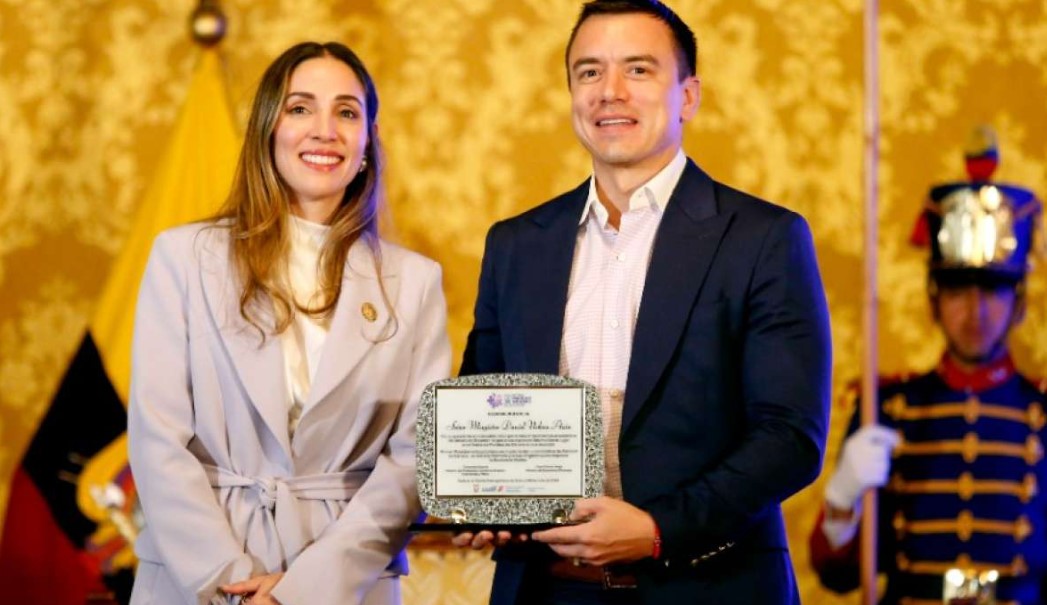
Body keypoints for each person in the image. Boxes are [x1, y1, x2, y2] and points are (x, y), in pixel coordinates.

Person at [452, 1, 832, 603]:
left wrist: (659, 531)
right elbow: (485, 407)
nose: (610, 92)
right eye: (589, 72)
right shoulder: (516, 245)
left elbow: (790, 438)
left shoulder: (763, 238)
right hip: (547, 591)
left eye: (638, 70)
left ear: (687, 96)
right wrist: (485, 498)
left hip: (709, 586)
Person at [127, 41, 451, 605]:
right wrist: (227, 578)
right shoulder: (181, 257)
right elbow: (158, 440)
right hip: (196, 577)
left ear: (367, 144)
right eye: (301, 108)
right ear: (267, 131)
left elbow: (415, 459)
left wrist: (305, 590)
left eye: (347, 112)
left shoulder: (415, 282)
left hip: (347, 580)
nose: (325, 129)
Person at [809, 128, 1047, 604]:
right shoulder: (887, 408)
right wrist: (841, 501)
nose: (975, 311)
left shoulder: (1041, 409)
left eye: (993, 289)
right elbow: (838, 578)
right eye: (958, 289)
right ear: (934, 302)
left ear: (1019, 304)